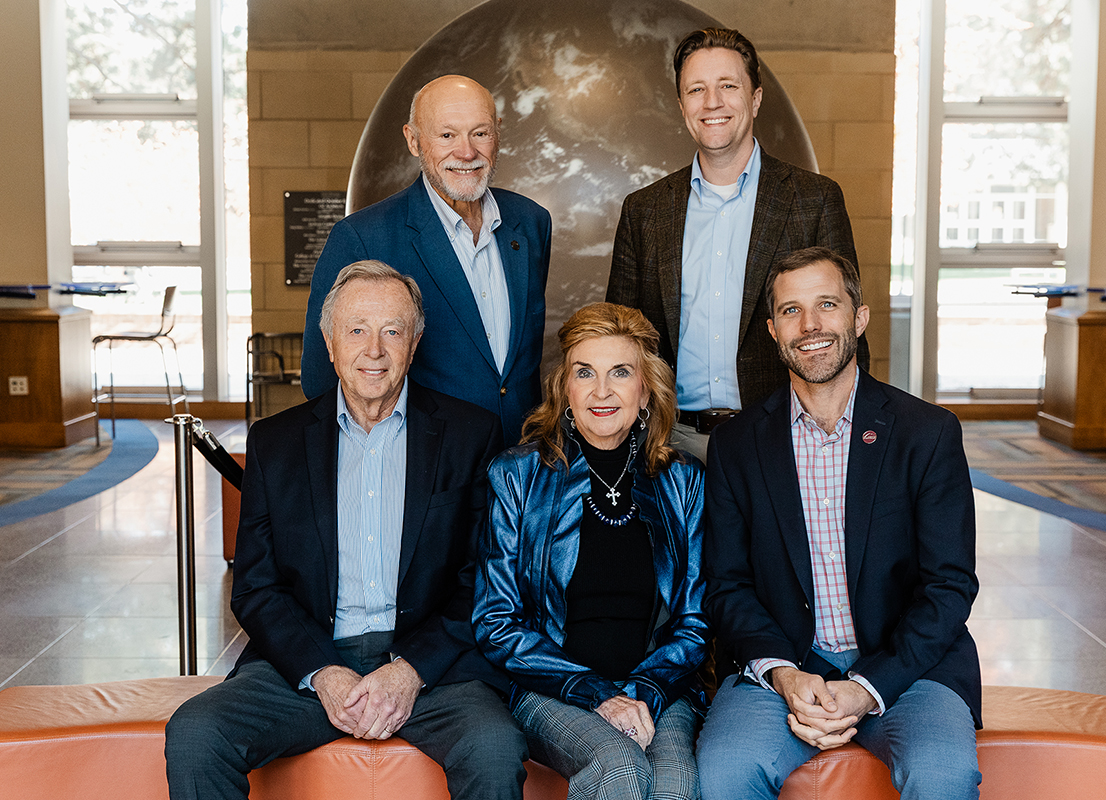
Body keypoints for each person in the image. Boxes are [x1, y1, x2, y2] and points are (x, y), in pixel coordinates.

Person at [166, 261, 527, 800]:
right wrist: (324, 673)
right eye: (356, 329)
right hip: (307, 665)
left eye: (392, 331)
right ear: (330, 342)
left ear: (415, 341)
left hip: (433, 668)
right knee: (195, 733)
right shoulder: (277, 443)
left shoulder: (471, 434)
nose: (374, 350)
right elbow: (257, 588)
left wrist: (408, 672)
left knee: (494, 748)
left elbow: (483, 580)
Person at [697, 247, 981, 799]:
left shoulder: (927, 433)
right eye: (791, 311)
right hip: (785, 670)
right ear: (774, 331)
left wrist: (868, 687)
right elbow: (726, 584)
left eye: (827, 305)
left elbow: (950, 586)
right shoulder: (736, 444)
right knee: (724, 773)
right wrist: (783, 673)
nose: (811, 326)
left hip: (909, 669)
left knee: (942, 775)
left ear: (860, 316)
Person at [474, 302, 708, 800]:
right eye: (585, 373)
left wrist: (643, 690)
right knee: (621, 769)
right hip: (552, 689)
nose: (602, 391)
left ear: (645, 390)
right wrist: (597, 692)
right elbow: (496, 622)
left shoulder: (683, 479)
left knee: (676, 784)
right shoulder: (518, 475)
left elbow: (696, 620)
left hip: (660, 688)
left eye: (620, 372)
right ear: (565, 390)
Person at [606, 28, 865, 460]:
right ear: (682, 106)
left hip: (783, 437)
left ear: (756, 98)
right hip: (671, 443)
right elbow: (618, 338)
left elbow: (849, 331)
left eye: (728, 86)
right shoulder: (644, 210)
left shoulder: (814, 199)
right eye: (697, 89)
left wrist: (849, 442)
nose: (713, 102)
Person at [301, 74, 552, 446]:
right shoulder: (362, 237)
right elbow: (322, 378)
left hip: (525, 464)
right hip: (428, 471)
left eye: (479, 133)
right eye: (447, 135)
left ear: (497, 134)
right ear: (414, 140)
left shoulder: (530, 223)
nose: (466, 152)